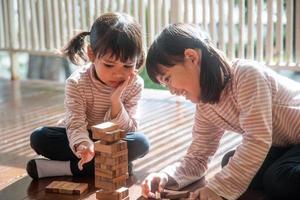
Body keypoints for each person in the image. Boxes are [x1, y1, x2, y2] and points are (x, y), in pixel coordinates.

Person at [141, 23, 300, 200]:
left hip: (291, 138)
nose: (171, 90)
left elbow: (257, 139)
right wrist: (165, 176)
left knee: (278, 178)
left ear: (191, 57)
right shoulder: (206, 105)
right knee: (229, 162)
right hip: (287, 143)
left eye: (168, 78)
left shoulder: (246, 75)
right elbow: (198, 157)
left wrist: (217, 189)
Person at [26, 12, 149, 179]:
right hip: (81, 135)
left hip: (112, 139)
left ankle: (67, 168)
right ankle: (114, 165)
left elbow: (130, 128)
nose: (118, 74)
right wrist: (84, 145)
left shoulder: (134, 84)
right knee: (39, 137)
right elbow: (75, 124)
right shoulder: (77, 82)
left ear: (137, 60)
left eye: (127, 66)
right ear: (92, 54)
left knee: (140, 143)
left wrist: (116, 102)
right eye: (109, 65)